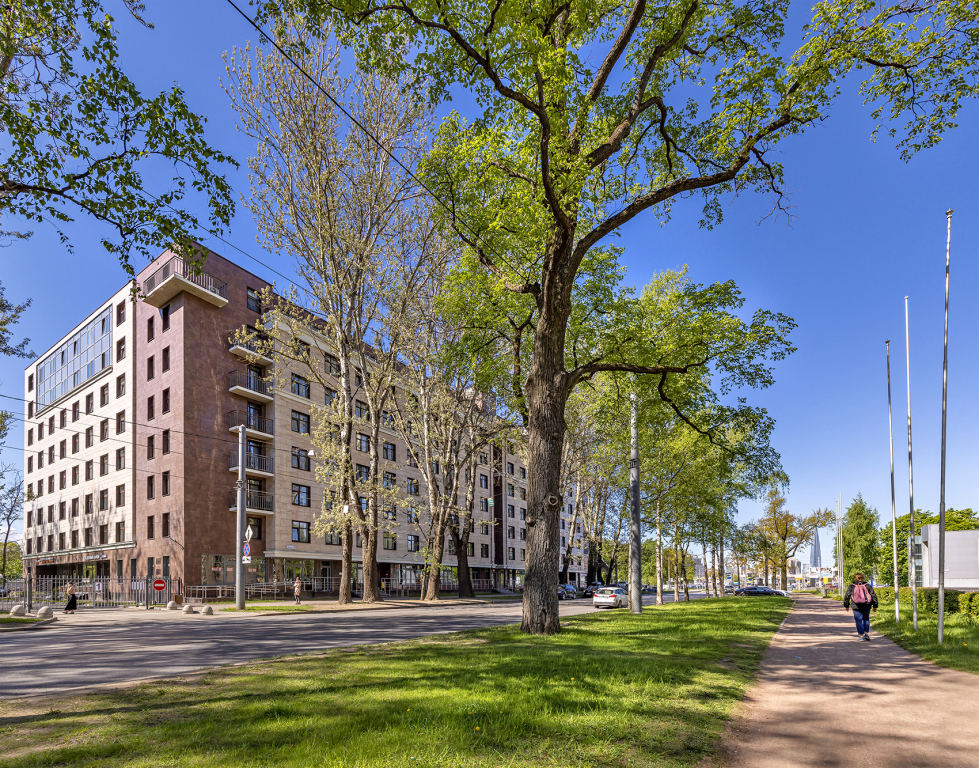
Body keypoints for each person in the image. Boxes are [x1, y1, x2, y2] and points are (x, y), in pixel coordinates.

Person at [843, 572, 878, 641]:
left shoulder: (852, 586)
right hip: (866, 605)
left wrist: (846, 606)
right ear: (863, 578)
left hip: (856, 606)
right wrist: (875, 606)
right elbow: (873, 595)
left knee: (858, 620)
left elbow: (847, 596)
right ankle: (866, 634)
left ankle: (861, 636)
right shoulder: (867, 585)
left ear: (855, 578)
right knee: (866, 619)